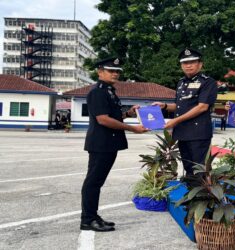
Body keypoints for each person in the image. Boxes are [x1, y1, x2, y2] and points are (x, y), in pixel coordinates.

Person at [81, 57, 148, 232]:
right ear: (100, 71)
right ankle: (88, 219)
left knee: (97, 181)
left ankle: (93, 216)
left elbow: (113, 116)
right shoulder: (97, 92)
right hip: (101, 144)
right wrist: (133, 129)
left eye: (117, 71)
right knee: (93, 182)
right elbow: (103, 119)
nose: (115, 74)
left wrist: (129, 113)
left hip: (109, 143)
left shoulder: (109, 92)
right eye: (111, 70)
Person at [153, 48, 217, 176]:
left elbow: (202, 107)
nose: (188, 65)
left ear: (200, 64)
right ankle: (190, 191)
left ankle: (200, 194)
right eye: (185, 63)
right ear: (181, 65)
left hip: (198, 133)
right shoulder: (181, 83)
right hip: (183, 132)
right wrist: (164, 106)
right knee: (188, 166)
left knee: (199, 168)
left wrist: (175, 121)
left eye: (192, 62)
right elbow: (179, 106)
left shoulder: (208, 82)